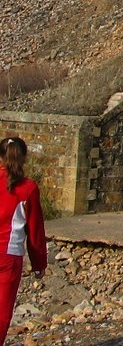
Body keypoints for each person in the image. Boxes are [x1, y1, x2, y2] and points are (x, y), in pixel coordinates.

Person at [0, 137, 47, 342]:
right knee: (1, 314)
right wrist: (39, 263)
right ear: (25, 158)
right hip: (9, 257)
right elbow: (35, 229)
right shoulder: (28, 188)